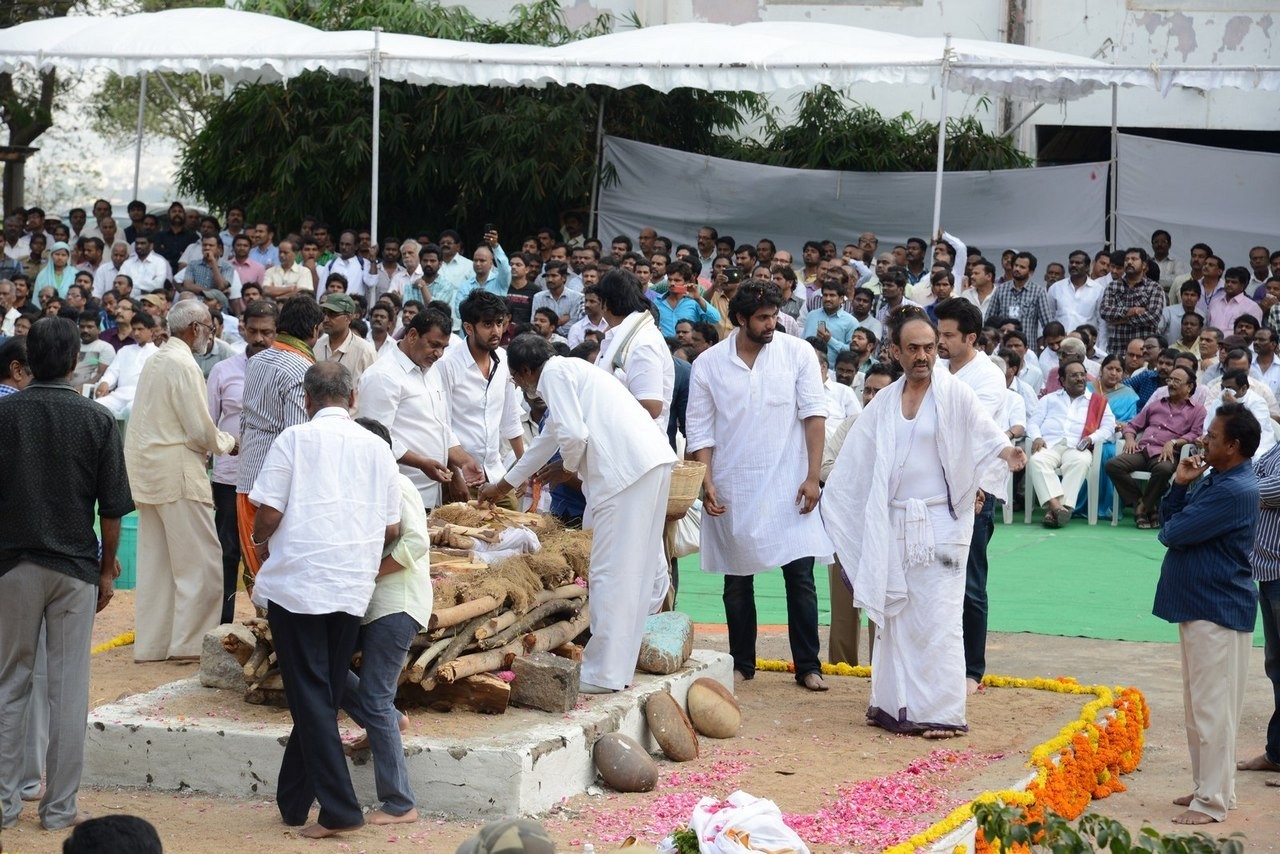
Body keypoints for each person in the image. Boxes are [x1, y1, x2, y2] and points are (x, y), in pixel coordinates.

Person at [822, 313, 1025, 737]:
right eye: (912, 348)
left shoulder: (956, 395)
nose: (922, 356)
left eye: (929, 347)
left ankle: (942, 713)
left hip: (945, 523)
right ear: (894, 351)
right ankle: (892, 704)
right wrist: (838, 501)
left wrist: (1007, 454)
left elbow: (986, 433)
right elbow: (855, 460)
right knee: (898, 613)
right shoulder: (883, 402)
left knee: (941, 614)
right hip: (894, 520)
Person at [249, 362, 401, 839]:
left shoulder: (293, 439)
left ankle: (339, 808)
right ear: (353, 398)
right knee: (324, 693)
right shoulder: (377, 447)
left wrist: (258, 541)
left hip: (299, 582)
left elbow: (268, 511)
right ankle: (293, 800)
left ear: (307, 400)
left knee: (312, 697)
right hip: (351, 584)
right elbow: (393, 528)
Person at [479, 334, 676, 693]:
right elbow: (548, 441)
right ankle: (617, 667)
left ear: (525, 371)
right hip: (649, 466)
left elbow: (571, 436)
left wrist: (569, 468)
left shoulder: (554, 374)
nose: (520, 387)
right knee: (633, 571)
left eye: (516, 379)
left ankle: (604, 673)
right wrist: (502, 486)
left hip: (626, 474)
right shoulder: (573, 372)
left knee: (610, 573)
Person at [0, 317, 134, 831]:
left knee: (10, 681)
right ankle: (58, 810)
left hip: (12, 565)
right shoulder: (95, 419)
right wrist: (106, 573)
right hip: (75, 567)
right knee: (68, 687)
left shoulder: (6, 415)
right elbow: (113, 509)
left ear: (28, 361)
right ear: (77, 360)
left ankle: (5, 804)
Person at [685, 281, 834, 691]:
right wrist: (707, 480)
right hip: (735, 484)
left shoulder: (798, 352)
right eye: (764, 318)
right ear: (739, 320)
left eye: (775, 315)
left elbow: (814, 414)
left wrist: (812, 476)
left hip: (790, 483)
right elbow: (699, 429)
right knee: (737, 580)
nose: (773, 324)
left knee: (800, 577)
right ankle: (741, 663)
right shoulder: (709, 364)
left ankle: (808, 665)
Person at [1154, 402, 1261, 825]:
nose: (1203, 440)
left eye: (1213, 437)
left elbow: (1170, 532)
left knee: (1212, 710)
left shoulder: (1234, 490)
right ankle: (1211, 789)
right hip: (1204, 603)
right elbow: (1168, 519)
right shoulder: (1219, 478)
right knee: (1201, 707)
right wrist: (1180, 484)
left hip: (1216, 607)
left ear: (1233, 446)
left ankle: (1213, 801)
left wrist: (1181, 496)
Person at [125, 301, 237, 661]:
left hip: (148, 471)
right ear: (193, 328)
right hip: (177, 472)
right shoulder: (182, 363)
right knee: (202, 561)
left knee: (159, 565)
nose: (211, 333)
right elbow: (200, 430)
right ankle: (189, 644)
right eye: (208, 326)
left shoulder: (155, 359)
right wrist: (229, 443)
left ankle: (155, 645)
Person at [339, 418, 432, 827]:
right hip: (371, 604)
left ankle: (399, 803)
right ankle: (390, 722)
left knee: (375, 696)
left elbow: (415, 542)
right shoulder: (369, 488)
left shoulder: (398, 484)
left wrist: (368, 572)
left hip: (397, 603)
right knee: (324, 671)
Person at [934, 297, 1007, 692]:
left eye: (948, 335)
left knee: (970, 582)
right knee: (936, 578)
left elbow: (970, 433)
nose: (940, 342)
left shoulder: (988, 377)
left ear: (971, 338)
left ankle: (971, 670)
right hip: (935, 489)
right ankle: (941, 659)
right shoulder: (939, 368)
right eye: (938, 333)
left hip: (976, 490)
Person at [236, 297, 326, 585]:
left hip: (248, 475)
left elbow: (245, 418)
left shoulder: (256, 360)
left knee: (258, 572)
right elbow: (297, 437)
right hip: (277, 490)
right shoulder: (302, 369)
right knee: (279, 577)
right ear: (314, 330)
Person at [359, 309, 484, 509]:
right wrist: (421, 463)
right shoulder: (383, 376)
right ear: (412, 335)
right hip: (400, 492)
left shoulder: (432, 371)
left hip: (432, 492)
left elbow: (441, 427)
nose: (439, 354)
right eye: (434, 345)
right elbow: (377, 439)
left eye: (444, 347)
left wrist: (464, 462)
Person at [208, 300, 278, 624]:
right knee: (228, 552)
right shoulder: (223, 370)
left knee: (269, 551)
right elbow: (209, 424)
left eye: (267, 332)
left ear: (276, 331)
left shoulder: (283, 369)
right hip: (228, 477)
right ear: (242, 328)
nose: (260, 337)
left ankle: (266, 621)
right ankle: (224, 625)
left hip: (270, 478)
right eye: (254, 331)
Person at [435, 291, 525, 497]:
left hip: (497, 475)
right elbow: (442, 425)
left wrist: (524, 469)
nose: (496, 331)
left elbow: (510, 419)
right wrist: (455, 476)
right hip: (461, 478)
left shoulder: (503, 359)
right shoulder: (447, 365)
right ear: (468, 327)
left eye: (499, 323)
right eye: (487, 324)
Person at [1106, 365, 1206, 528]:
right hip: (1143, 450)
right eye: (1170, 380)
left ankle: (1143, 508)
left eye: (1177, 381)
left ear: (1189, 387)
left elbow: (1195, 435)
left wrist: (1173, 442)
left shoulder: (1197, 410)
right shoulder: (1156, 405)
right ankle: (1145, 506)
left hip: (1167, 454)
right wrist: (1130, 439)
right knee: (1113, 465)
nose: (1171, 384)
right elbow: (1132, 426)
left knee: (1164, 470)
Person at [1027, 361, 1116, 527]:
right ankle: (1057, 508)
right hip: (1050, 444)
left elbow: (1109, 427)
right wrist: (1037, 437)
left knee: (1080, 461)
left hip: (1078, 446)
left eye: (1082, 374)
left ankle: (1054, 511)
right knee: (1036, 461)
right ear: (1062, 379)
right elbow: (1033, 423)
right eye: (1074, 375)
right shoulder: (1048, 400)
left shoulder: (1097, 402)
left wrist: (1092, 438)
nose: (1080, 378)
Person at [1240, 428, 1280, 787]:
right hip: (1268, 568)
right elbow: (1254, 480)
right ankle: (1277, 753)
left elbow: (1265, 489)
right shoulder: (1277, 448)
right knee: (1276, 664)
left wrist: (1250, 489)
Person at [1100, 247, 1165, 357]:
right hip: (1117, 349)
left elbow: (1153, 317)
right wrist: (1134, 311)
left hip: (1143, 352)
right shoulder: (1113, 286)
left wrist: (1119, 320)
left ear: (1144, 265)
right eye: (1127, 259)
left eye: (1134, 259)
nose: (1129, 262)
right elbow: (1105, 312)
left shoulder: (1154, 288)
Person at [94, 312, 159, 418]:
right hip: (119, 395)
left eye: (140, 329)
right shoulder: (125, 350)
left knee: (130, 409)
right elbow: (113, 372)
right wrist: (105, 382)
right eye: (134, 329)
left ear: (151, 331)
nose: (136, 333)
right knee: (97, 407)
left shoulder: (159, 354)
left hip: (141, 397)